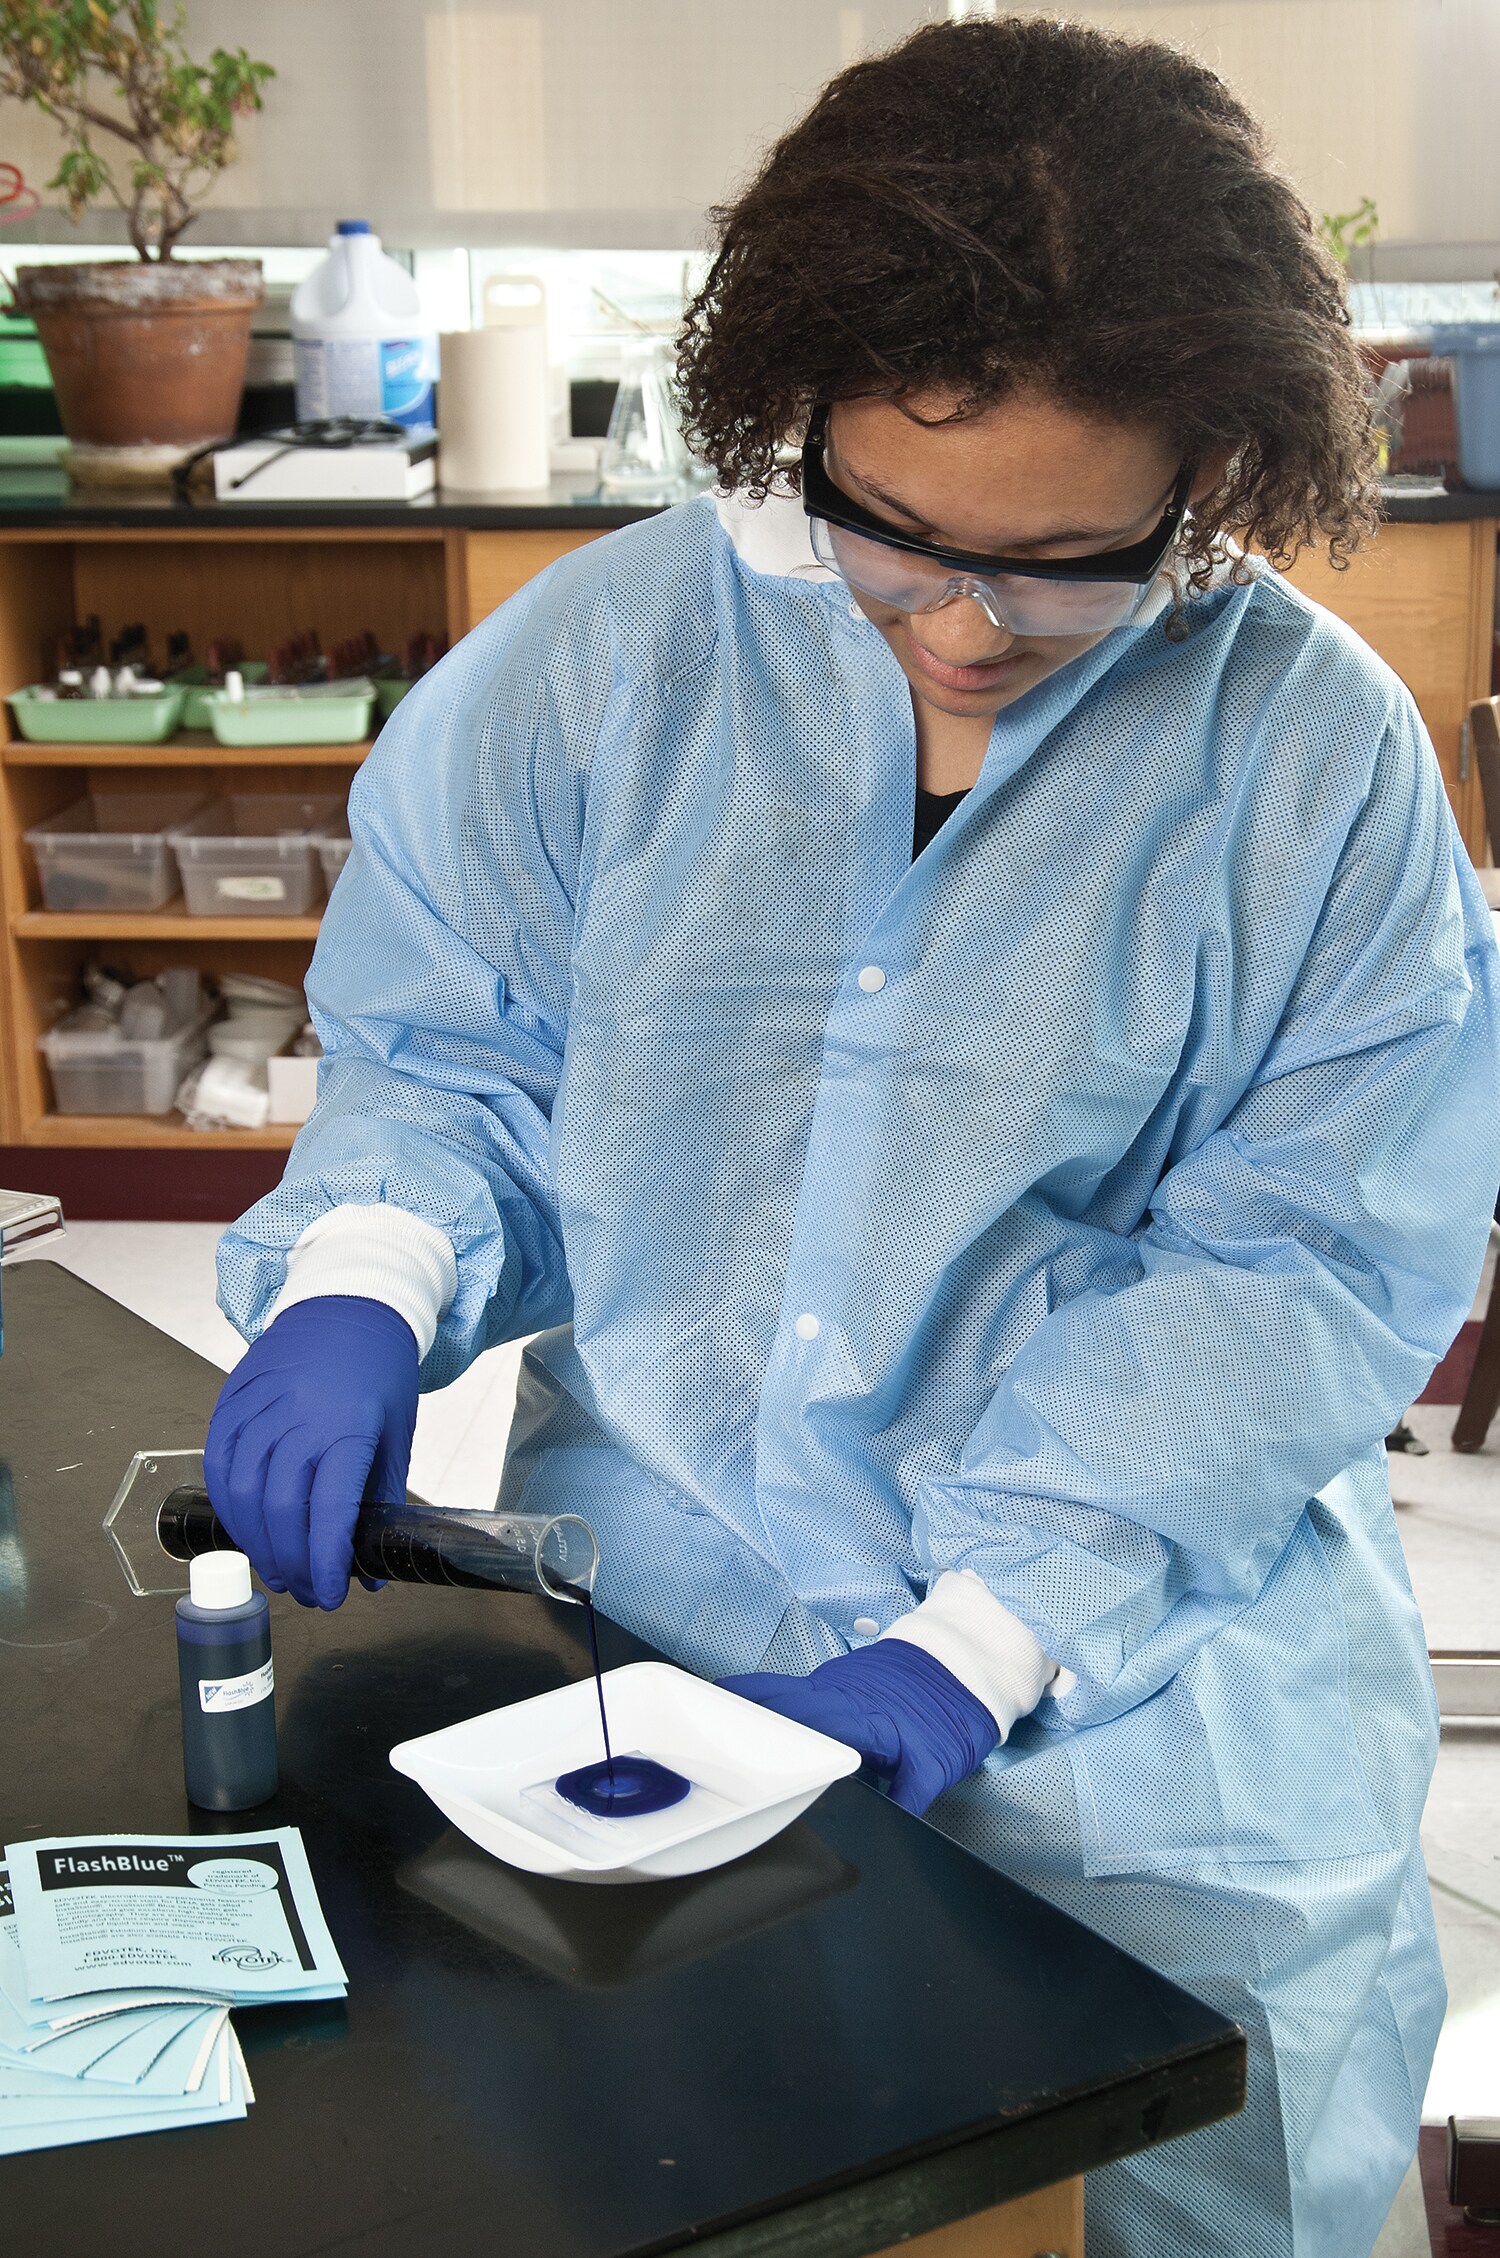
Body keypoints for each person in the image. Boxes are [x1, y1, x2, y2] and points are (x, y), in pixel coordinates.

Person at [206, 18, 1500, 2255]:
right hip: (668, 1646)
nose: (974, 630)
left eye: (1076, 568)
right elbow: (462, 1052)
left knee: (1219, 2199)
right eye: (895, 544)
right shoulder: (600, 670)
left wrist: (985, 1628)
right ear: (779, 409)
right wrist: (360, 1280)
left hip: (1155, 1729)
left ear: (1216, 476)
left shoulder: (1313, 763)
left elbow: (1297, 1262)